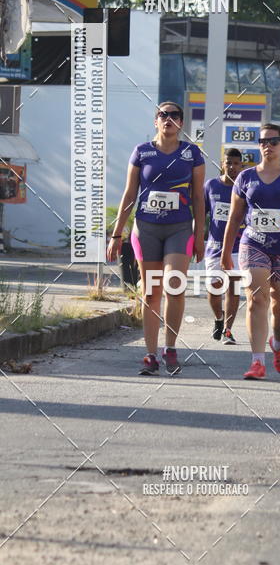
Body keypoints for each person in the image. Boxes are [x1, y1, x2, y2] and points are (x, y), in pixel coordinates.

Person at [107, 101, 205, 375]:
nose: (169, 119)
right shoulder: (142, 152)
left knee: (174, 286)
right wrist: (117, 233)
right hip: (146, 227)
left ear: (181, 123)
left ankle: (170, 347)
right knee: (151, 293)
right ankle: (150, 354)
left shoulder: (192, 153)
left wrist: (200, 234)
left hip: (179, 228)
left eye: (175, 116)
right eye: (164, 115)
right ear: (156, 121)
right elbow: (129, 195)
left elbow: (198, 197)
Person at [221, 123, 280, 379]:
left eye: (272, 141)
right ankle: (257, 361)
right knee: (257, 299)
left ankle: (278, 344)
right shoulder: (245, 178)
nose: (267, 146)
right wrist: (226, 252)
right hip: (253, 243)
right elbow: (235, 218)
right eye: (262, 141)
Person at [204, 148, 245, 344]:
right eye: (229, 163)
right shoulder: (211, 186)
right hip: (214, 247)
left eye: (236, 164)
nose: (232, 167)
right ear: (222, 164)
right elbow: (200, 215)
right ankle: (218, 319)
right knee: (214, 289)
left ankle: (228, 329)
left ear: (241, 166)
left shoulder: (245, 188)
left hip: (239, 247)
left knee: (233, 289)